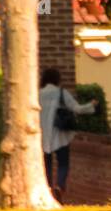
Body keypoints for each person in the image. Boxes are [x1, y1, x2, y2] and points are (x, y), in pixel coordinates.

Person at [39, 68, 96, 203]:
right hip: (60, 134)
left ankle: (48, 189)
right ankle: (60, 185)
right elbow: (77, 109)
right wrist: (91, 105)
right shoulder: (61, 93)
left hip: (42, 135)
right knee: (63, 163)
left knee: (46, 164)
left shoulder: (37, 94)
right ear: (57, 79)